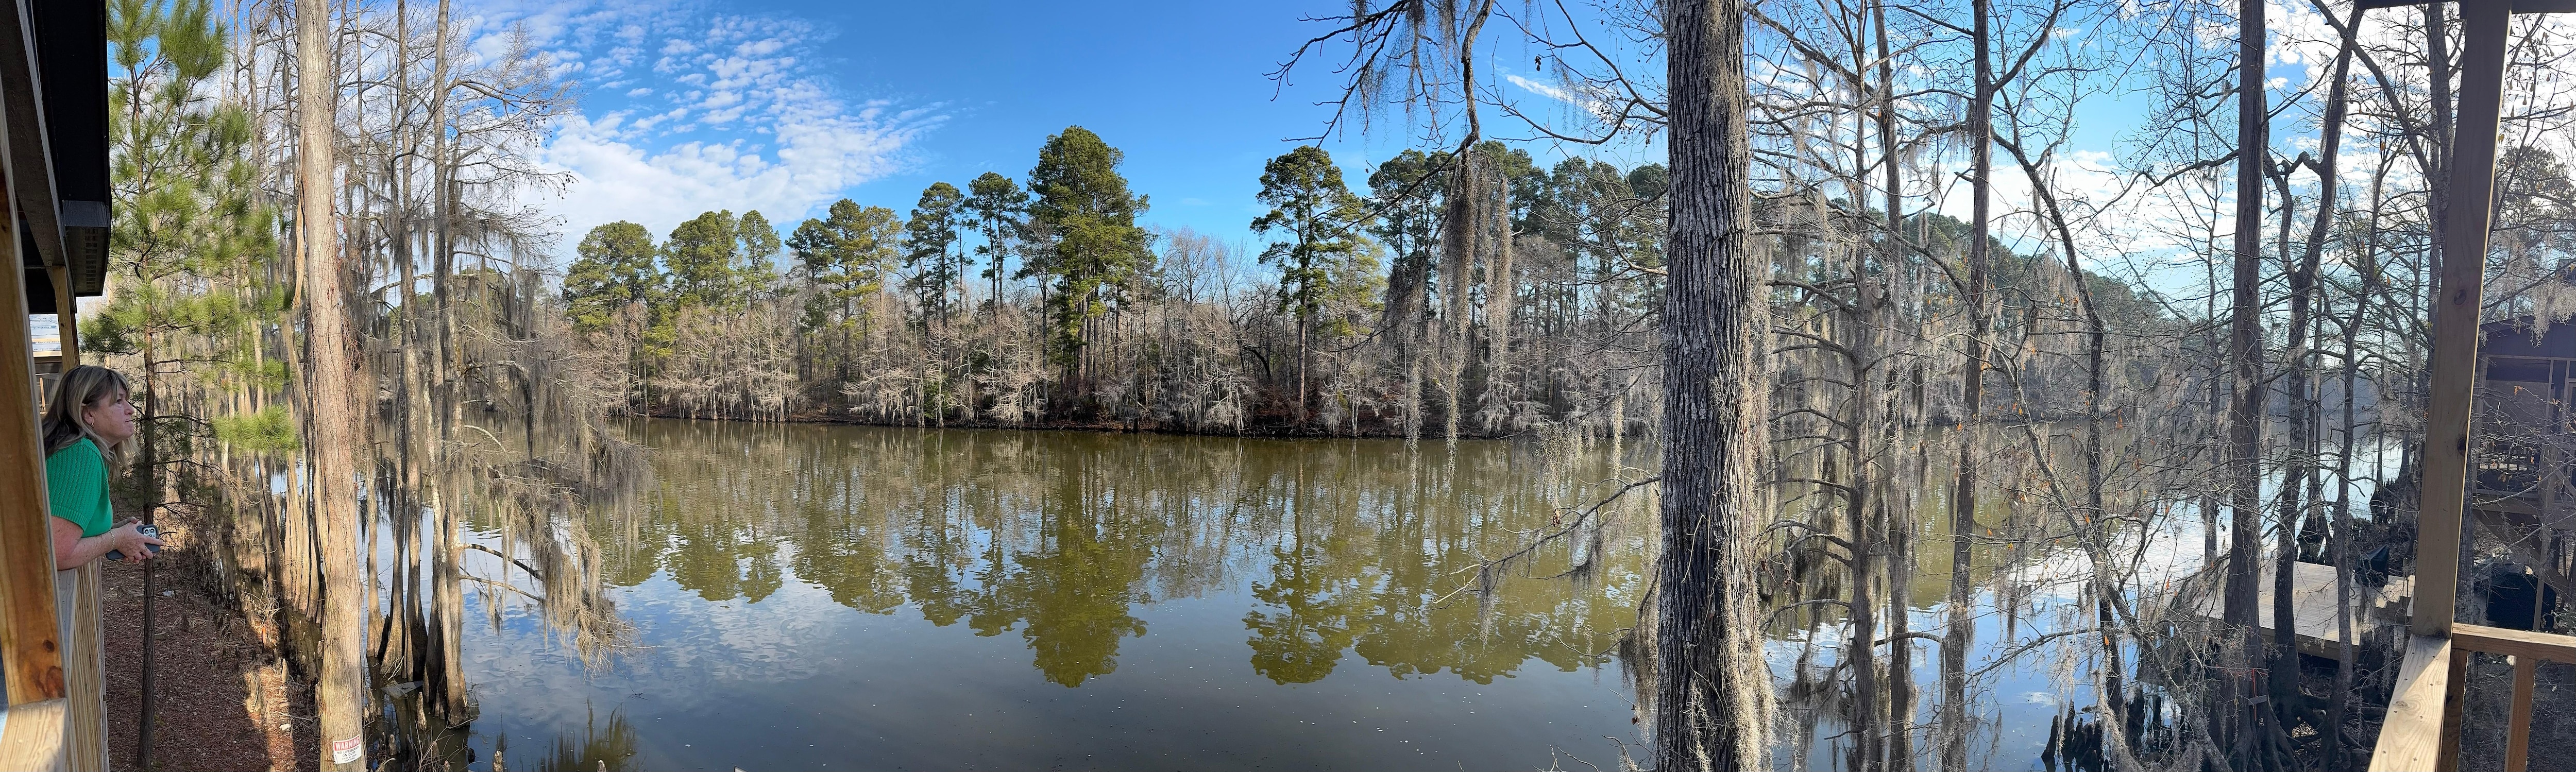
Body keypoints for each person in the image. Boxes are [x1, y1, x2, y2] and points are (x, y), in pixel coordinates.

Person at [42, 365, 160, 569]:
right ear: (88, 414)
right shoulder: (78, 454)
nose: (131, 409)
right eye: (118, 401)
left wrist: (113, 533)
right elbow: (56, 554)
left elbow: (59, 529)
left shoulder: (79, 451)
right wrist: (117, 539)